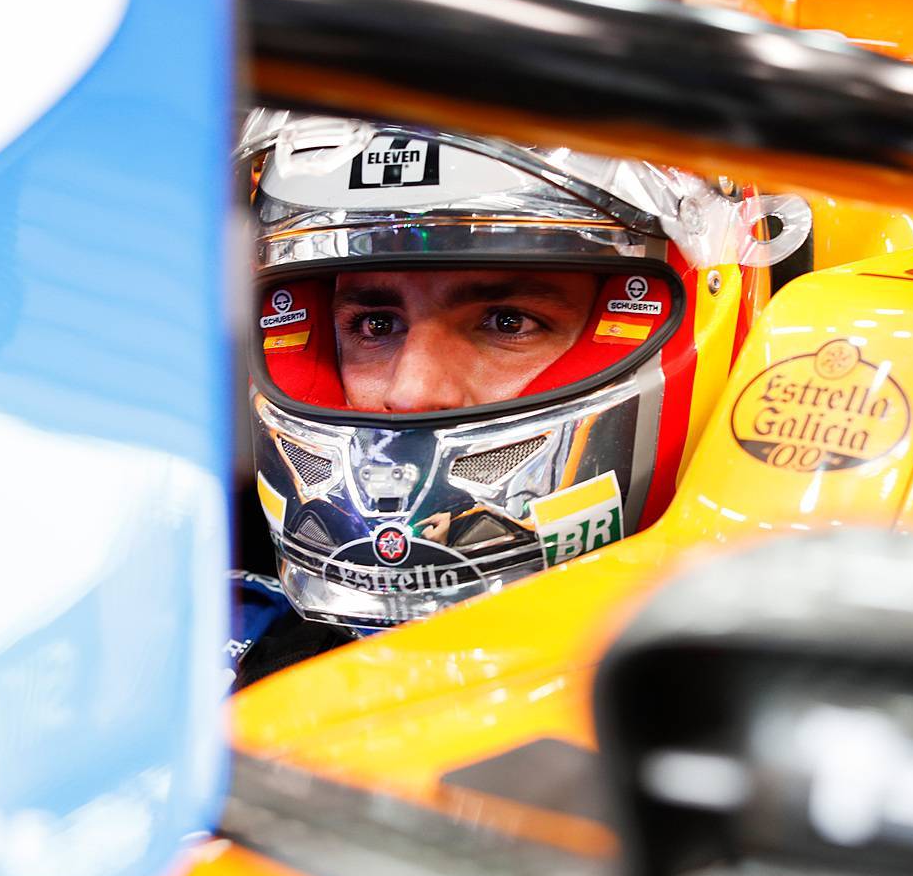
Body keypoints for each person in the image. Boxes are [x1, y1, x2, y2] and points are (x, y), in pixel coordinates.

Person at [226, 110, 807, 684]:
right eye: (376, 325)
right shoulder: (208, 657)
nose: (412, 391)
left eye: (508, 321)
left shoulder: (802, 692)